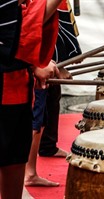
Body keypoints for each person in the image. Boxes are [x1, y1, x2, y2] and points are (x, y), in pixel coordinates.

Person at [0, 0, 62, 198]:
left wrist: (33, 64)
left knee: (15, 159)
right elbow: (16, 33)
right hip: (5, 90)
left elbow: (21, 22)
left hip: (16, 88)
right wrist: (32, 61)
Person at [24, 0, 82, 187]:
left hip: (37, 60)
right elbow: (31, 26)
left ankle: (35, 164)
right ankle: (29, 172)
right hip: (29, 65)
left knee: (41, 116)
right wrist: (38, 63)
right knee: (35, 119)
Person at [39, 0, 82, 158]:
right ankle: (31, 167)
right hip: (38, 58)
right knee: (39, 106)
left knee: (51, 96)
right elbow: (38, 22)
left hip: (44, 59)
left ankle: (48, 146)